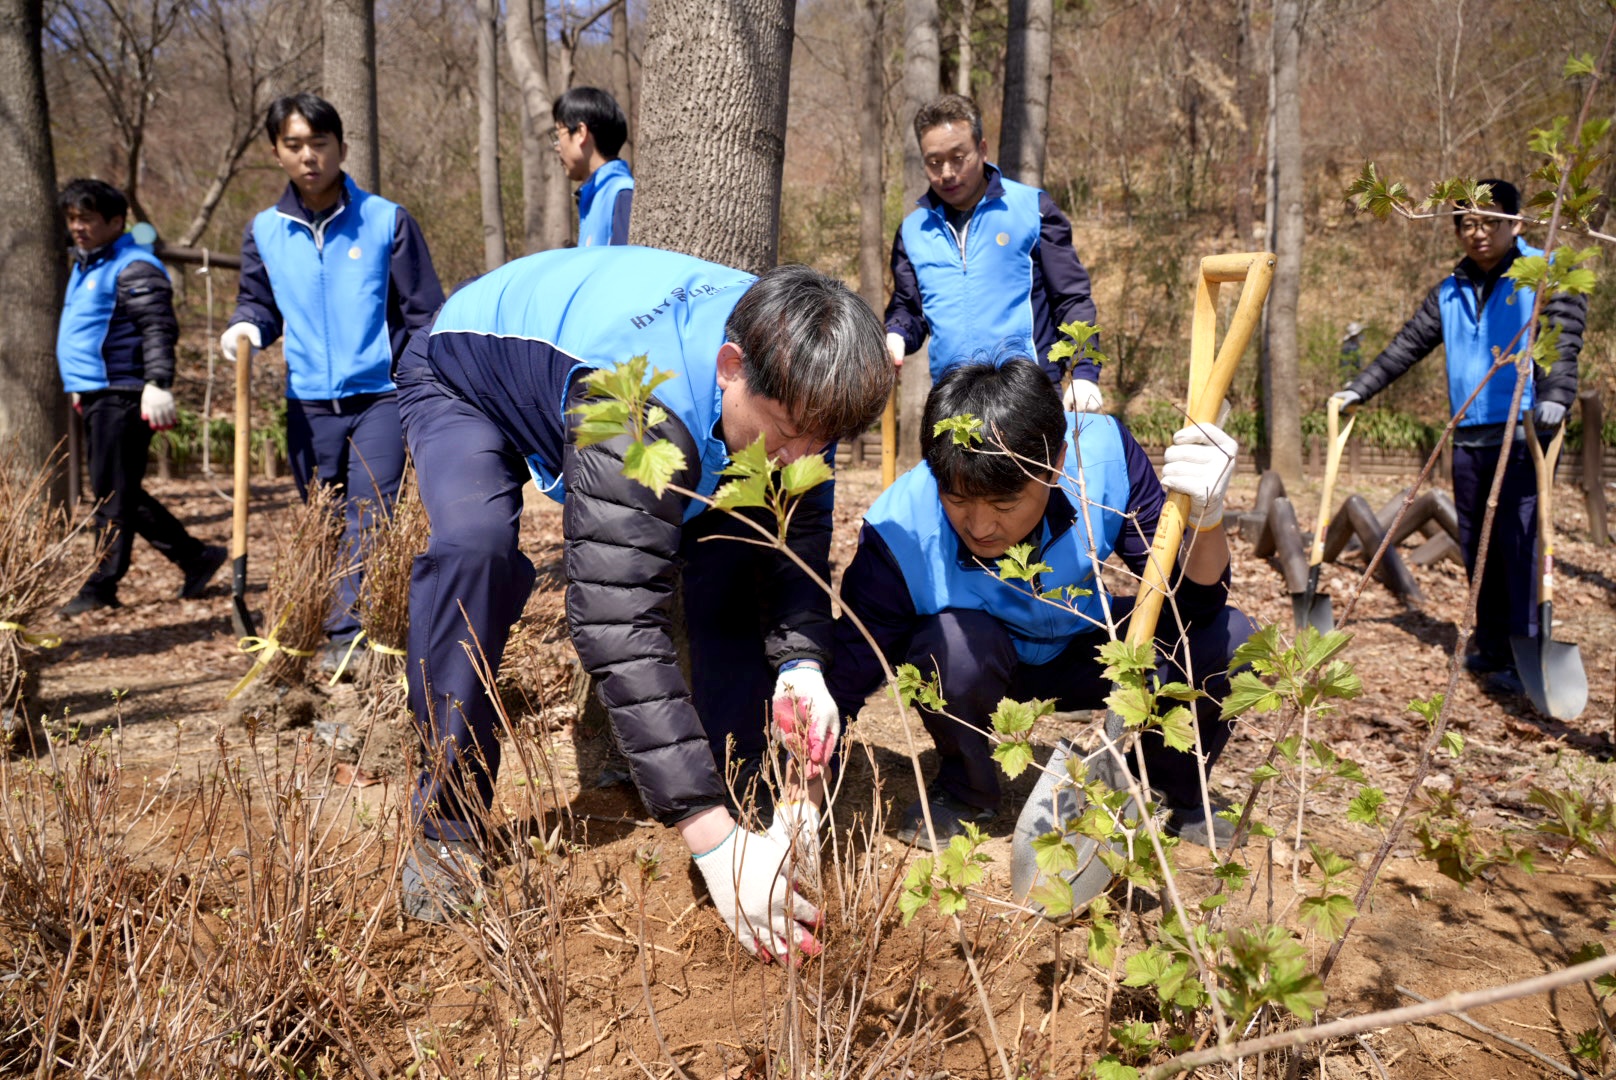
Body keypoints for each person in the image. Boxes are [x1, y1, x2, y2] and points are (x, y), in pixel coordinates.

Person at [394, 246, 893, 964]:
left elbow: (795, 545)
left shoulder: (807, 376)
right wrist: (712, 842)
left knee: (731, 556)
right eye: (789, 436)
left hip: (678, 410)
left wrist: (803, 667)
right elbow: (614, 622)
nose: (799, 458)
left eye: (824, 441)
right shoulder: (631, 411)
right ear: (732, 367)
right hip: (467, 372)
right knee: (475, 553)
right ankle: (446, 824)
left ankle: (739, 779)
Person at [825, 359, 1255, 848]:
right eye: (958, 500)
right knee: (947, 650)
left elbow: (1194, 602)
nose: (981, 526)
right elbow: (851, 671)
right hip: (984, 657)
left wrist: (1207, 518)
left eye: (1005, 505)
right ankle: (967, 790)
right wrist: (804, 778)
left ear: (1055, 463)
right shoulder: (900, 528)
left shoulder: (1102, 457)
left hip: (1092, 645)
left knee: (1231, 637)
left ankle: (1164, 787)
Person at [1331, 179, 1583, 695]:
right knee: (1478, 543)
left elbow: (1563, 335)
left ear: (1516, 223)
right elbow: (1406, 346)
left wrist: (1557, 393)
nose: (1479, 232)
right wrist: (1359, 387)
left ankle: (1526, 650)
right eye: (1468, 222)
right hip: (1469, 435)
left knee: (1520, 541)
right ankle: (1491, 644)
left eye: (1491, 221)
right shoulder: (1450, 290)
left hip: (1526, 430)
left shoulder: (1544, 273)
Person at [220, 93, 445, 671]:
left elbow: (422, 314)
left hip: (380, 399)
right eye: (294, 145)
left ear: (341, 147)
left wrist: (417, 379)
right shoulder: (265, 232)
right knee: (322, 516)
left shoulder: (385, 220)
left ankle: (352, 639)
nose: (309, 156)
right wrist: (246, 327)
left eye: (319, 143)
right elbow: (259, 303)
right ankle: (322, 627)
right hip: (308, 404)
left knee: (370, 517)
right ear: (277, 153)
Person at [55, 179, 226, 616]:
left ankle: (101, 584)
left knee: (112, 494)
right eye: (73, 218)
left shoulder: (133, 266)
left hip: (126, 392)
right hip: (98, 391)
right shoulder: (86, 264)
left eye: (88, 219)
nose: (78, 227)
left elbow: (158, 327)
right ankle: (195, 557)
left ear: (116, 221)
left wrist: (158, 382)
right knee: (120, 490)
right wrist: (79, 386)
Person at [883, 94, 1103, 411]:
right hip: (952, 406)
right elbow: (908, 308)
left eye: (958, 157)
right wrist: (896, 334)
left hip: (1029, 400)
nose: (946, 172)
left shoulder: (1033, 210)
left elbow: (1072, 299)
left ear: (982, 150)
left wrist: (1084, 373)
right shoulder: (912, 232)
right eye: (934, 162)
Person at [553, 87, 634, 247]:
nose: (557, 146)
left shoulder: (623, 195)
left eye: (558, 135)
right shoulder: (594, 197)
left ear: (581, 132)